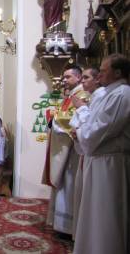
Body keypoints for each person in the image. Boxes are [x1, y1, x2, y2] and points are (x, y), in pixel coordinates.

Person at [72, 54, 130, 254]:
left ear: (118, 73)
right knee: (94, 215)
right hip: (100, 160)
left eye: (104, 71)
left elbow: (92, 133)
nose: (99, 75)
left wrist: (80, 126)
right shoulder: (109, 93)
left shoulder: (121, 94)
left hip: (110, 164)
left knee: (105, 217)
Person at [42, 65, 89, 237]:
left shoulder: (81, 94)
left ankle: (68, 227)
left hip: (73, 150)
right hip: (68, 149)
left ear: (77, 77)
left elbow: (69, 119)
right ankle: (61, 224)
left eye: (67, 77)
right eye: (63, 77)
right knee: (65, 184)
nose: (64, 80)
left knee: (70, 185)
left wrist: (54, 117)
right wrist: (54, 117)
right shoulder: (71, 96)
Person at [68, 66, 106, 240]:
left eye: (86, 78)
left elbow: (95, 127)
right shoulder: (93, 97)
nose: (83, 81)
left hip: (100, 157)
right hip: (88, 153)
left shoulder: (102, 96)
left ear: (97, 79)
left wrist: (81, 108)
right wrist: (77, 131)